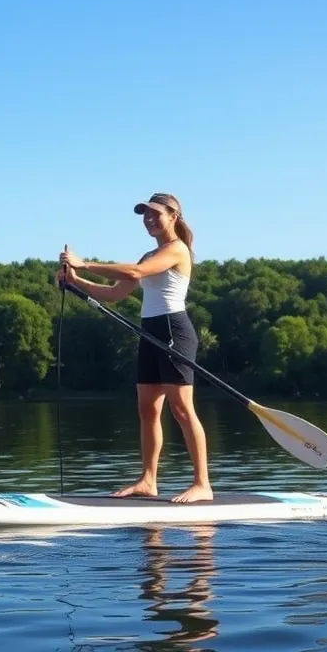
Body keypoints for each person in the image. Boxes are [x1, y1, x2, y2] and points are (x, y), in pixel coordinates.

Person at [58, 192, 212, 503]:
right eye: (145, 214)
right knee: (147, 409)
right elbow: (115, 294)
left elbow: (135, 273)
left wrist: (84, 263)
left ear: (173, 217)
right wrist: (74, 281)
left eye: (156, 213)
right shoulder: (146, 256)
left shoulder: (177, 250)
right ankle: (148, 480)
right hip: (149, 331)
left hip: (174, 331)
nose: (149, 219)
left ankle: (202, 484)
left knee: (181, 409)